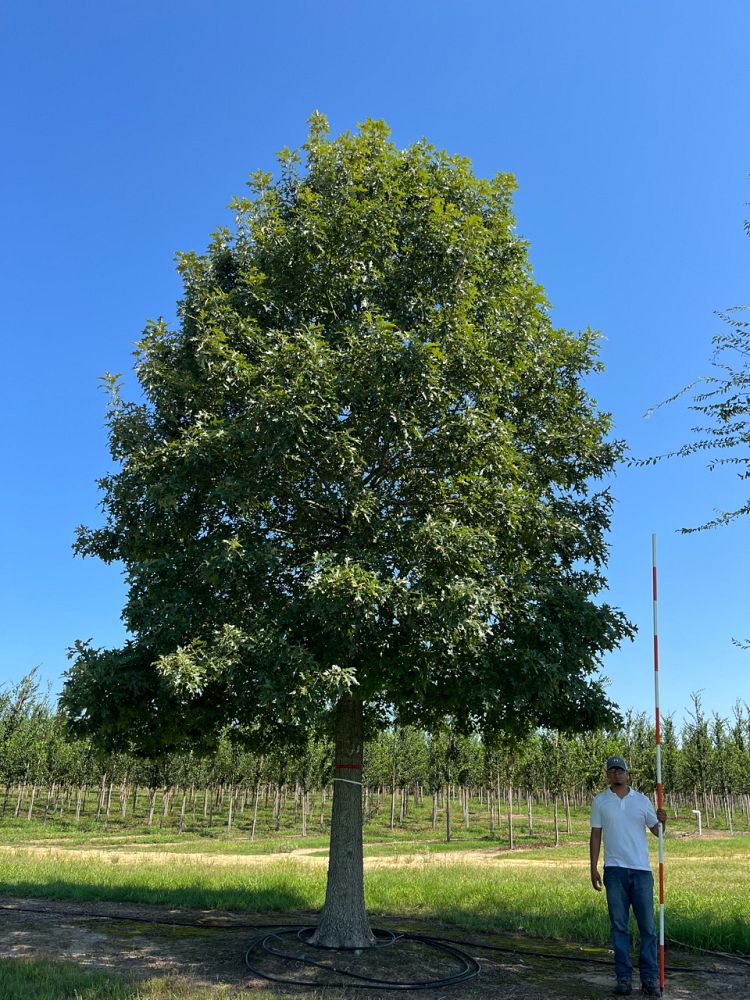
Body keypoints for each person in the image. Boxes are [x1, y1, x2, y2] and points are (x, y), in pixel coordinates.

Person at [590, 755, 667, 997]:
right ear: (607, 774)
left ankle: (650, 978)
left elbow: (657, 832)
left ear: (627, 773)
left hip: (641, 871)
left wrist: (663, 822)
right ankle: (623, 978)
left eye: (620, 770)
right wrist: (593, 867)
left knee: (648, 927)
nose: (616, 774)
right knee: (619, 926)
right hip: (614, 871)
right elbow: (595, 836)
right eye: (612, 770)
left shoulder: (641, 800)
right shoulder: (600, 801)